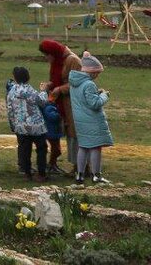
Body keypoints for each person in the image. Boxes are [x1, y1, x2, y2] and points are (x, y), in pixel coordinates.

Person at [39, 39, 82, 175]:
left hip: (73, 104)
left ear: (53, 53)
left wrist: (59, 89)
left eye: (47, 55)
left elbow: (79, 82)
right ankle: (75, 165)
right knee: (69, 134)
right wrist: (49, 85)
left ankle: (81, 167)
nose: (46, 58)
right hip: (62, 103)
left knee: (76, 135)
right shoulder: (57, 61)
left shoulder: (72, 60)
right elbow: (56, 78)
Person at [69, 51, 113, 185]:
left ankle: (80, 175)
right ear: (91, 72)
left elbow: (84, 98)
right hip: (92, 121)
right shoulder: (89, 84)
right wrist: (104, 95)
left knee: (83, 146)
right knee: (95, 147)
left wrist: (96, 93)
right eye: (97, 73)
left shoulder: (74, 83)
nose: (97, 76)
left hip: (80, 121)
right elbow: (95, 103)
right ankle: (96, 175)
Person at [5, 66, 48, 181]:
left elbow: (10, 110)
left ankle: (27, 173)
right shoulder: (30, 90)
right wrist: (43, 91)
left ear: (15, 78)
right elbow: (42, 102)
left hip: (21, 125)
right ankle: (41, 173)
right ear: (28, 77)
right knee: (41, 149)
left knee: (25, 150)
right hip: (36, 125)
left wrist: (12, 125)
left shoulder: (11, 92)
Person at [42, 100, 64, 175]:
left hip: (55, 132)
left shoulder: (53, 106)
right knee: (56, 150)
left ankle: (53, 164)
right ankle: (51, 164)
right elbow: (53, 117)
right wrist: (60, 114)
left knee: (56, 149)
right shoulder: (49, 107)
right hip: (51, 132)